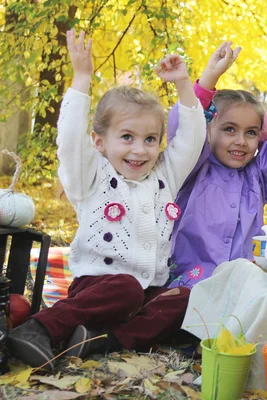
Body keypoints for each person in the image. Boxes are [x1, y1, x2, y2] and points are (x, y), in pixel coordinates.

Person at [7, 29, 205, 369]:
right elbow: (69, 140)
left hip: (146, 292)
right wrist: (81, 77)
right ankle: (37, 328)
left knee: (187, 299)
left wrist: (184, 85)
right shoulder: (92, 177)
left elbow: (192, 138)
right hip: (99, 288)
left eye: (150, 139)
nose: (139, 149)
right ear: (99, 141)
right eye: (127, 137)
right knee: (125, 290)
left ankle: (97, 340)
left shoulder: (164, 176)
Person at [166, 50, 267, 288]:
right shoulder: (190, 168)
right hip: (190, 286)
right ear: (207, 130)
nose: (241, 141)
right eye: (229, 129)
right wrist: (209, 79)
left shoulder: (258, 177)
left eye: (251, 132)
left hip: (241, 288)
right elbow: (184, 129)